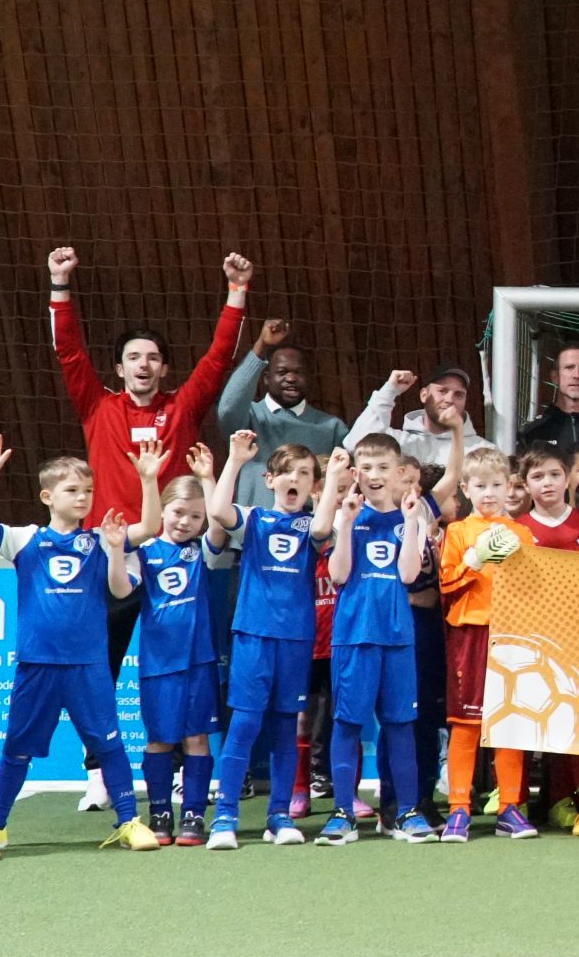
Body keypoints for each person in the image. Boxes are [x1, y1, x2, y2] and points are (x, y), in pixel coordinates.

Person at [46, 245, 251, 811]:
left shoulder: (181, 409)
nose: (143, 364)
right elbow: (68, 352)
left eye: (153, 358)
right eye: (133, 357)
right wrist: (59, 285)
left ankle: (184, 772)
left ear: (164, 368)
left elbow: (218, 359)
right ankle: (97, 772)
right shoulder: (97, 407)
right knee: (98, 669)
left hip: (172, 561)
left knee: (182, 668)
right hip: (110, 556)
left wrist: (236, 293)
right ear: (118, 368)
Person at [0, 432, 164, 852]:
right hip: (37, 664)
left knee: (108, 744)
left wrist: (148, 480)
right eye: (72, 490)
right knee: (17, 746)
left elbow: (148, 528)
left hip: (88, 665)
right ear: (47, 497)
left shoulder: (101, 540)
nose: (83, 497)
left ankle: (128, 822)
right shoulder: (25, 539)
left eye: (88, 490)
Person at [202, 433, 334, 849]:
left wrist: (332, 480)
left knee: (284, 727)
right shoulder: (254, 519)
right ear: (270, 479)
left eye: (305, 474)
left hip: (296, 639)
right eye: (287, 472)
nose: (295, 479)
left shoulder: (312, 526)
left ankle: (279, 815)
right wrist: (234, 460)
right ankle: (225, 817)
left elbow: (325, 526)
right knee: (244, 723)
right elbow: (218, 510)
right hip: (253, 635)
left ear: (313, 485)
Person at [319, 435, 436, 845]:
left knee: (400, 724)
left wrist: (410, 523)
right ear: (355, 473)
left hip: (397, 636)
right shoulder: (346, 515)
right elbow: (338, 574)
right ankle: (343, 813)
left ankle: (405, 812)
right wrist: (347, 523)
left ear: (399, 472)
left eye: (383, 467)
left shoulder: (411, 517)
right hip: (354, 635)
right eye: (366, 468)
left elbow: (408, 575)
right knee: (348, 723)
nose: (374, 475)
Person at [126, 453, 228, 847]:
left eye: (195, 516)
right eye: (179, 512)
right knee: (159, 740)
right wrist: (148, 481)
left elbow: (219, 524)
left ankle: (193, 814)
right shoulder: (144, 552)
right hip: (158, 665)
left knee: (197, 739)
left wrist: (209, 477)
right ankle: (159, 812)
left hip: (199, 662)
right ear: (164, 511)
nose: (186, 522)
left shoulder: (203, 552)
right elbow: (120, 586)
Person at [435, 449, 531, 845]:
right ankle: (458, 807)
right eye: (480, 485)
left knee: (510, 721)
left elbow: (534, 588)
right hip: (471, 633)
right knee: (466, 722)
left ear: (510, 487)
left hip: (513, 634)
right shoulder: (458, 532)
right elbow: (445, 584)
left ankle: (509, 806)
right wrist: (473, 560)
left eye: (496, 485)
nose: (488, 493)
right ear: (465, 488)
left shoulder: (522, 533)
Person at [214, 318, 347, 511]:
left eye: (298, 373)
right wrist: (261, 346)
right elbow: (227, 409)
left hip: (309, 528)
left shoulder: (331, 427)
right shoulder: (249, 417)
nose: (291, 378)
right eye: (282, 372)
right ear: (267, 378)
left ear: (309, 379)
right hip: (253, 526)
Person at [348, 365, 491, 474]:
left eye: (459, 395)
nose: (450, 399)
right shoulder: (398, 441)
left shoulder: (482, 450)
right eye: (442, 391)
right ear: (424, 395)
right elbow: (355, 444)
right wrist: (389, 390)